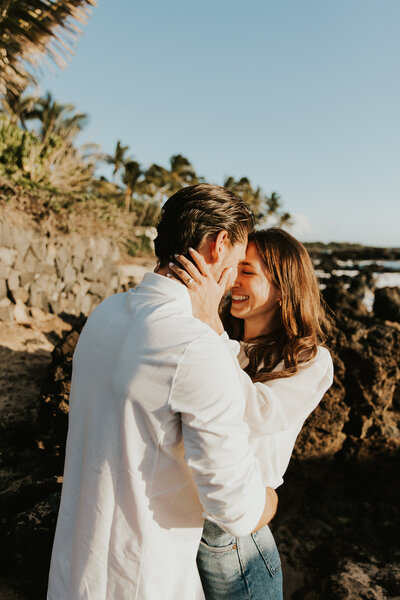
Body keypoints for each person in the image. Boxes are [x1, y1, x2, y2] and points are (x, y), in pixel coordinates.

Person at [47, 184, 279, 600]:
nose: (232, 281)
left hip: (72, 573)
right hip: (143, 581)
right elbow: (234, 508)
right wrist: (269, 500)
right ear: (219, 244)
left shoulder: (104, 315)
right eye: (238, 262)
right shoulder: (197, 349)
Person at [168, 227, 334, 599]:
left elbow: (259, 413)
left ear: (283, 286)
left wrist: (211, 328)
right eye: (234, 268)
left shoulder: (310, 359)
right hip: (183, 524)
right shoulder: (225, 345)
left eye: (248, 271)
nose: (233, 281)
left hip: (237, 540)